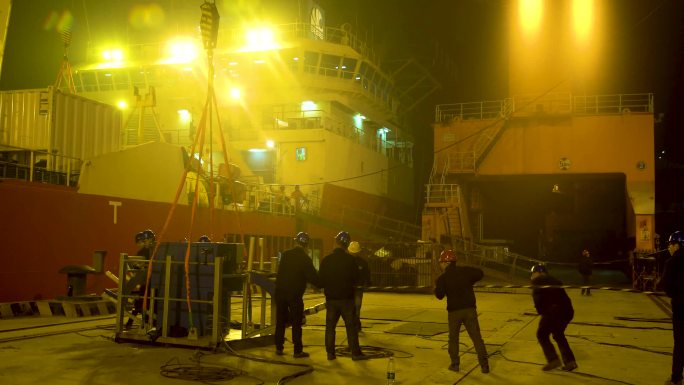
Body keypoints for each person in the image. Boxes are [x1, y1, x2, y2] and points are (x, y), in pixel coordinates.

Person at [434, 249, 489, 373]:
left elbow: (439, 295)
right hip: (470, 310)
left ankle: (455, 365)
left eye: (441, 263)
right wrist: (469, 279)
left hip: (454, 313)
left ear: (445, 263)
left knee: (453, 339)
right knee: (476, 338)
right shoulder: (465, 271)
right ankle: (484, 365)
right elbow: (480, 273)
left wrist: (437, 286)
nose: (440, 265)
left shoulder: (443, 278)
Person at [319, 231, 368, 361]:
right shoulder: (351, 261)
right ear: (347, 245)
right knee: (351, 328)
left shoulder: (327, 260)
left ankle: (330, 353)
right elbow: (356, 279)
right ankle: (355, 353)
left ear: (336, 243)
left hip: (331, 300)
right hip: (347, 299)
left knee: (330, 328)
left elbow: (320, 280)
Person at [274, 231, 321, 358]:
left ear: (295, 242)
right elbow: (312, 277)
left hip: (280, 293)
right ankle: (297, 350)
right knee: (296, 322)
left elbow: (281, 272)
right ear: (306, 245)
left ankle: (278, 347)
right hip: (294, 295)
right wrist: (322, 284)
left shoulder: (285, 254)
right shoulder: (305, 258)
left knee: (280, 321)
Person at [530, 263, 577, 371]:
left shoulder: (537, 282)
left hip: (552, 312)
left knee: (541, 334)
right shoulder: (554, 279)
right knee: (558, 334)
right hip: (567, 311)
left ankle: (553, 360)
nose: (532, 275)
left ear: (539, 272)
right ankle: (570, 361)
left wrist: (542, 312)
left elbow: (538, 302)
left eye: (533, 273)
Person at [662, 230, 684, 385]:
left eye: (670, 244)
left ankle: (676, 377)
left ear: (677, 245)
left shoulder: (672, 262)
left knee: (680, 342)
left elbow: (666, 285)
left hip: (680, 308)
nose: (669, 248)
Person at [125, 229, 156, 329]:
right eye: (142, 241)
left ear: (151, 239)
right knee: (142, 302)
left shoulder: (154, 249)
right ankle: (140, 322)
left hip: (151, 281)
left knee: (144, 302)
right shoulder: (146, 251)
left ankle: (140, 323)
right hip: (147, 282)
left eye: (145, 240)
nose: (143, 243)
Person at [348, 241, 371, 332]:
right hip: (351, 289)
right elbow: (367, 275)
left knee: (355, 308)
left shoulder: (362, 262)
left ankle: (355, 324)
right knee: (353, 308)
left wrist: (367, 282)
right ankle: (354, 324)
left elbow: (367, 274)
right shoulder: (360, 262)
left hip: (356, 289)